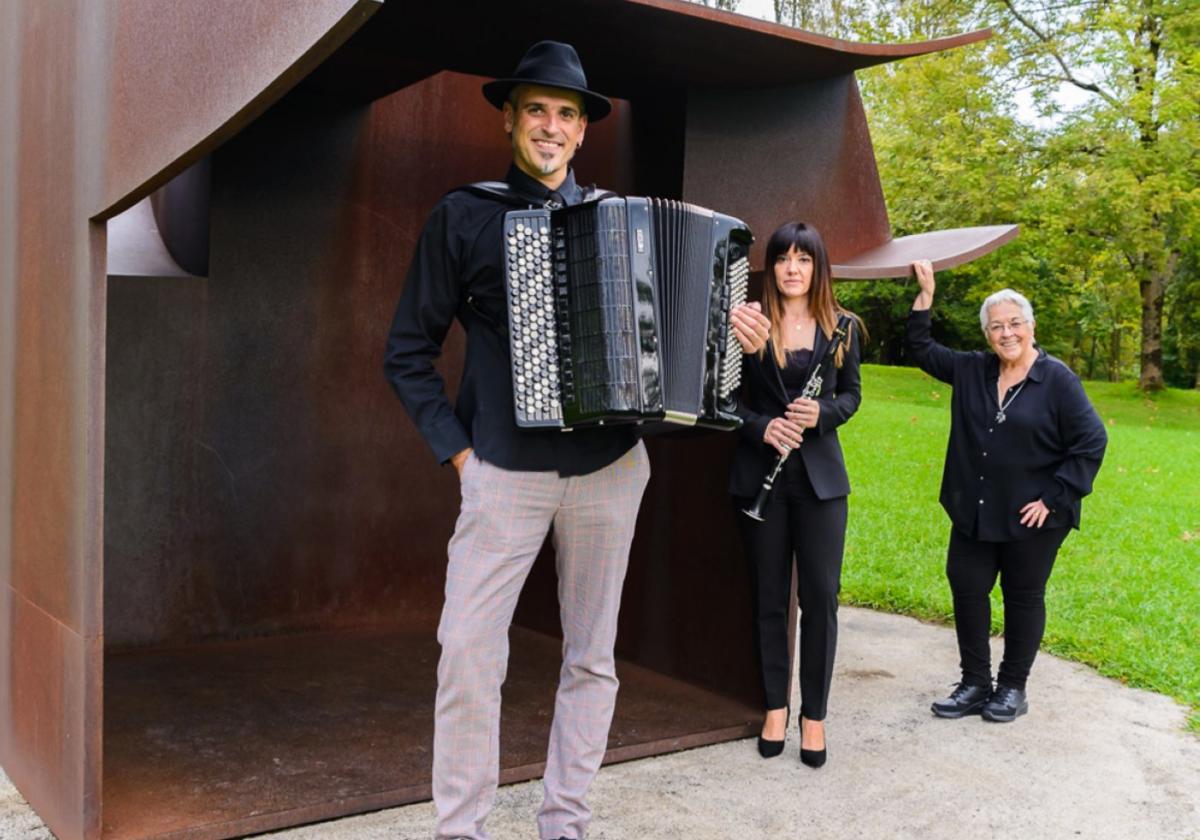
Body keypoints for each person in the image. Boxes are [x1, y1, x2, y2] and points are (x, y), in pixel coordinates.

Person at [384, 41, 767, 840]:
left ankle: (566, 821)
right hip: (504, 473)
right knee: (466, 656)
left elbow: (674, 349)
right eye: (537, 111)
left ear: (584, 131)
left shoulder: (621, 222)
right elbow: (406, 352)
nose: (551, 127)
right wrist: (459, 452)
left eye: (566, 114)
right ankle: (461, 829)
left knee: (592, 658)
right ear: (510, 119)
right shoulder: (465, 214)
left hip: (610, 470)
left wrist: (731, 338)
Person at [907, 259, 1106, 723]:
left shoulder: (1057, 380)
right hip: (975, 510)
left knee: (1022, 596)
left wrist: (1056, 496)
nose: (1007, 333)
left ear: (1032, 327)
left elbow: (1092, 441)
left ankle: (1012, 688)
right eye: (997, 326)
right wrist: (926, 294)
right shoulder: (973, 370)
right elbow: (921, 348)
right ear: (987, 335)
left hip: (1032, 517)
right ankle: (976, 683)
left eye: (1016, 323)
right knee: (968, 587)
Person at [728, 222, 862, 768]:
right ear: (771, 267)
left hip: (821, 485)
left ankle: (814, 717)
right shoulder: (749, 325)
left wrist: (821, 414)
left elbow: (852, 396)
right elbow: (727, 398)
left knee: (820, 602)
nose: (791, 268)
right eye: (782, 258)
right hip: (763, 477)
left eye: (803, 259)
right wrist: (762, 427)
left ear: (817, 267)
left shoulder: (842, 327)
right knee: (767, 600)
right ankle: (774, 708)